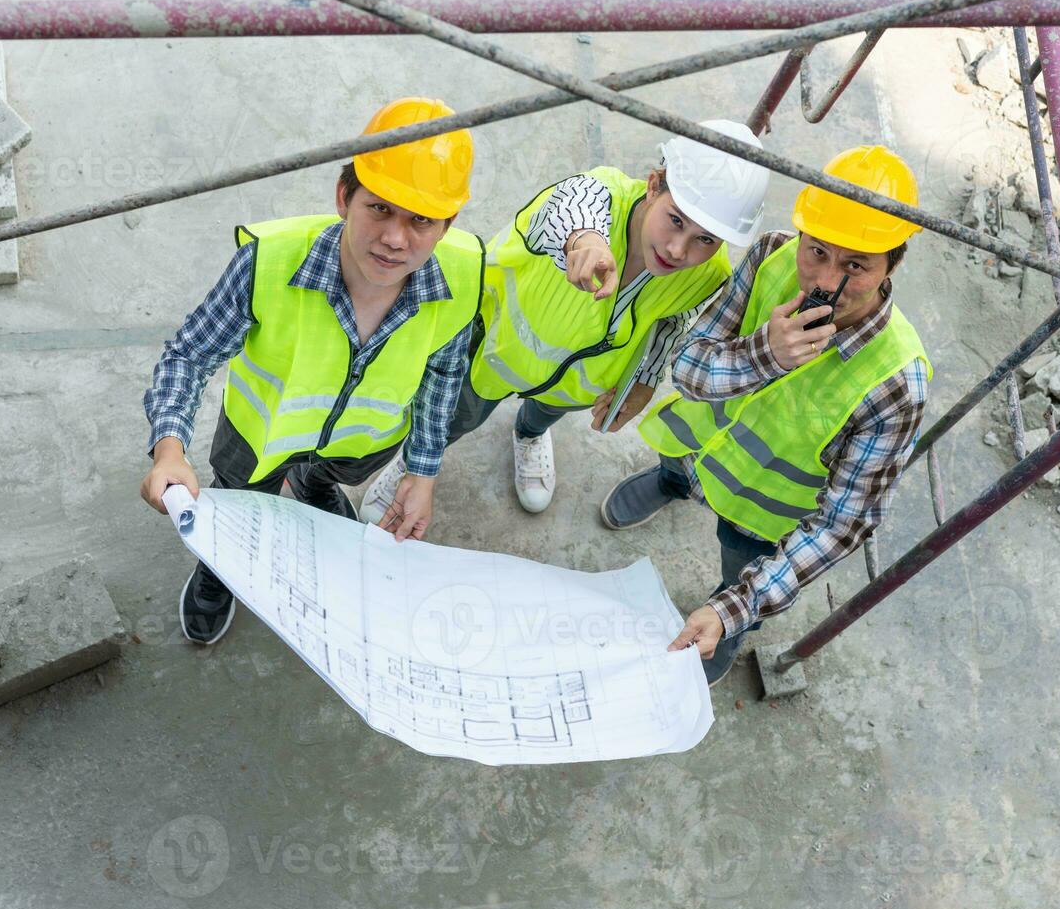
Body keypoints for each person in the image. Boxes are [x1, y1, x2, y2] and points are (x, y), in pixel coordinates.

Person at [140, 97, 483, 645]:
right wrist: (170, 451)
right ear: (345, 196)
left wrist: (422, 471)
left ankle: (312, 482)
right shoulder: (270, 263)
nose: (396, 238)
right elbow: (189, 355)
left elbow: (443, 374)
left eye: (421, 220)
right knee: (240, 503)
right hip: (258, 439)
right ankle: (220, 565)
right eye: (380, 209)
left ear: (448, 225)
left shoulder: (462, 281)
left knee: (328, 475)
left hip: (359, 444)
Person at [598, 145, 932, 687]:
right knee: (677, 465)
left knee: (737, 565)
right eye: (817, 251)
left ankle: (725, 623)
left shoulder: (897, 382)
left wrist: (736, 606)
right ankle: (671, 484)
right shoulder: (772, 256)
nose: (826, 280)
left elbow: (843, 524)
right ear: (800, 235)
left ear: (893, 263)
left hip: (760, 514)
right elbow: (687, 367)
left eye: (856, 265)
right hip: (694, 446)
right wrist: (765, 355)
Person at [360, 119, 772, 521]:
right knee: (457, 415)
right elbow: (571, 209)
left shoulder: (709, 273)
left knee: (544, 412)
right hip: (492, 349)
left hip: (574, 382)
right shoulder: (594, 195)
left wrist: (645, 380)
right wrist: (585, 242)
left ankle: (530, 434)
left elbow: (673, 322)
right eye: (676, 220)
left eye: (705, 239)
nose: (679, 250)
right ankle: (416, 464)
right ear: (652, 184)